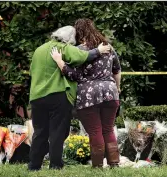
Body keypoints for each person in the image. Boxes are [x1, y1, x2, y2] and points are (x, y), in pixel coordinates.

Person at [28, 25, 111, 171]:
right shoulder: (63, 47)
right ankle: (55, 165)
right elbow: (84, 56)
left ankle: (34, 166)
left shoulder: (38, 50)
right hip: (57, 95)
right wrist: (99, 50)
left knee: (40, 132)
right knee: (58, 131)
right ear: (69, 39)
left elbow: (32, 72)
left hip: (37, 97)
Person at [50, 19, 121, 168]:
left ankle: (97, 166)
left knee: (95, 130)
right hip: (110, 92)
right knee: (108, 129)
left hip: (89, 96)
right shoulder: (109, 48)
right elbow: (117, 70)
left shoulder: (79, 50)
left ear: (79, 33)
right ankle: (114, 164)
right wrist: (117, 88)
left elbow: (73, 75)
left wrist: (59, 61)